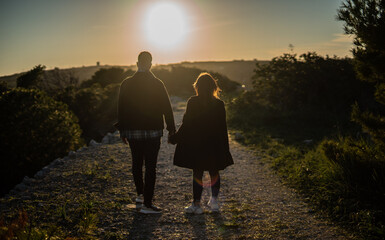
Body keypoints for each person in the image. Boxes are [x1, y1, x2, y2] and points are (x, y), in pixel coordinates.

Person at [117, 51, 175, 214]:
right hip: (153, 131)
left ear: (137, 64)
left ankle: (140, 195)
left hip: (133, 132)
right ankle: (147, 204)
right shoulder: (157, 83)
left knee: (136, 162)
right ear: (150, 64)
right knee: (150, 166)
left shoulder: (126, 83)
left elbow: (121, 108)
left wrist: (122, 130)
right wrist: (171, 129)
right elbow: (167, 108)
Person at [169, 72, 233, 214]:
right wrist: (224, 148)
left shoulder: (193, 102)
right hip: (214, 144)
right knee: (214, 172)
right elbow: (223, 128)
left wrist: (175, 138)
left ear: (197, 86)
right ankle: (214, 202)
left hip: (197, 145)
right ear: (213, 87)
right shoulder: (219, 104)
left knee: (197, 173)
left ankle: (196, 205)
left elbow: (187, 125)